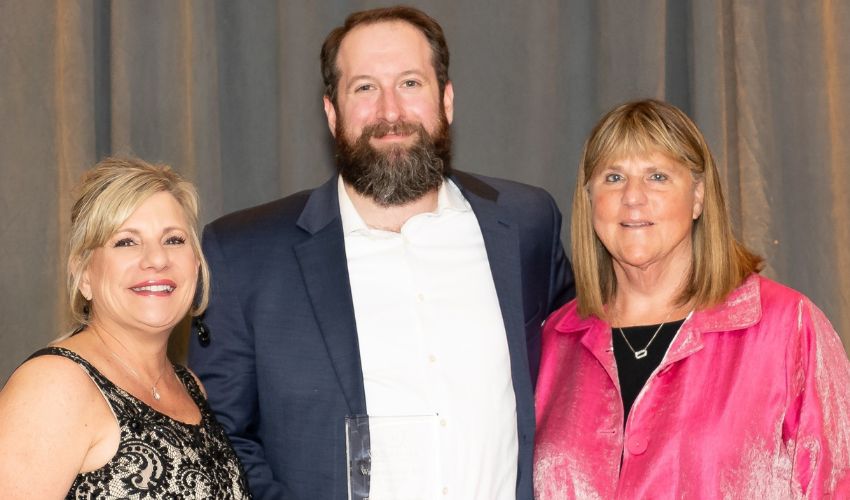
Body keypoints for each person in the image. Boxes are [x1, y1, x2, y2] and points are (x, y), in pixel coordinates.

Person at [188, 5, 574, 500]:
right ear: (332, 112)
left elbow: (580, 374)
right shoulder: (245, 254)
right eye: (365, 87)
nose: (390, 111)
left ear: (446, 99)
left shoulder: (525, 224)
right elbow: (219, 437)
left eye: (410, 83)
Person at [533, 99, 850, 498]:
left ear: (698, 197)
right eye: (613, 178)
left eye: (657, 177)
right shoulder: (553, 344)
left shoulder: (786, 327)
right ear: (589, 199)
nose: (633, 197)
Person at [0, 158, 251, 499]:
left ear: (196, 263)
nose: (157, 259)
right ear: (84, 274)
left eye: (174, 240)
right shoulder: (55, 386)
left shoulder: (191, 387)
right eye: (126, 242)